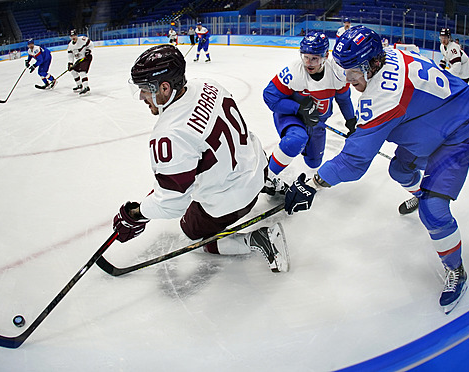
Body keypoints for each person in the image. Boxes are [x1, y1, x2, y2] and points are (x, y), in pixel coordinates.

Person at [284, 26, 469, 315]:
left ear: (372, 64)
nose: (349, 81)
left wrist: (314, 183)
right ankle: (419, 191)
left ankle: (456, 269)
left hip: (458, 131)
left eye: (353, 73)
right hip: (441, 115)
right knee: (400, 171)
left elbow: (353, 162)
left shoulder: (383, 97)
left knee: (433, 209)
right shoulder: (385, 55)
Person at [113, 44, 290, 273]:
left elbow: (173, 204)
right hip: (258, 164)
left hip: (237, 198)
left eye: (146, 89)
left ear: (165, 87)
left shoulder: (169, 134)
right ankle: (270, 184)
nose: (141, 97)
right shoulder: (207, 84)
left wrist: (136, 214)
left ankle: (258, 239)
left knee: (191, 236)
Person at [262, 31, 356, 195]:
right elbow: (269, 96)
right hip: (293, 116)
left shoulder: (338, 73)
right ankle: (266, 177)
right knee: (296, 139)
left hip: (317, 123)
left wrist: (351, 121)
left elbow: (344, 99)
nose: (308, 63)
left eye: (314, 58)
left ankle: (291, 159)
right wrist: (298, 108)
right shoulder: (294, 72)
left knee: (314, 162)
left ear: (326, 56)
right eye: (305, 57)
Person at [67, 29, 94, 95]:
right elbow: (70, 55)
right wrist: (70, 64)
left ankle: (86, 88)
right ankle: (79, 85)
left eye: (74, 35)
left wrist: (88, 51)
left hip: (86, 58)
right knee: (73, 71)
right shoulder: (70, 45)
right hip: (79, 60)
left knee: (82, 72)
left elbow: (91, 44)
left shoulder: (82, 39)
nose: (73, 37)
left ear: (77, 35)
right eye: (71, 36)